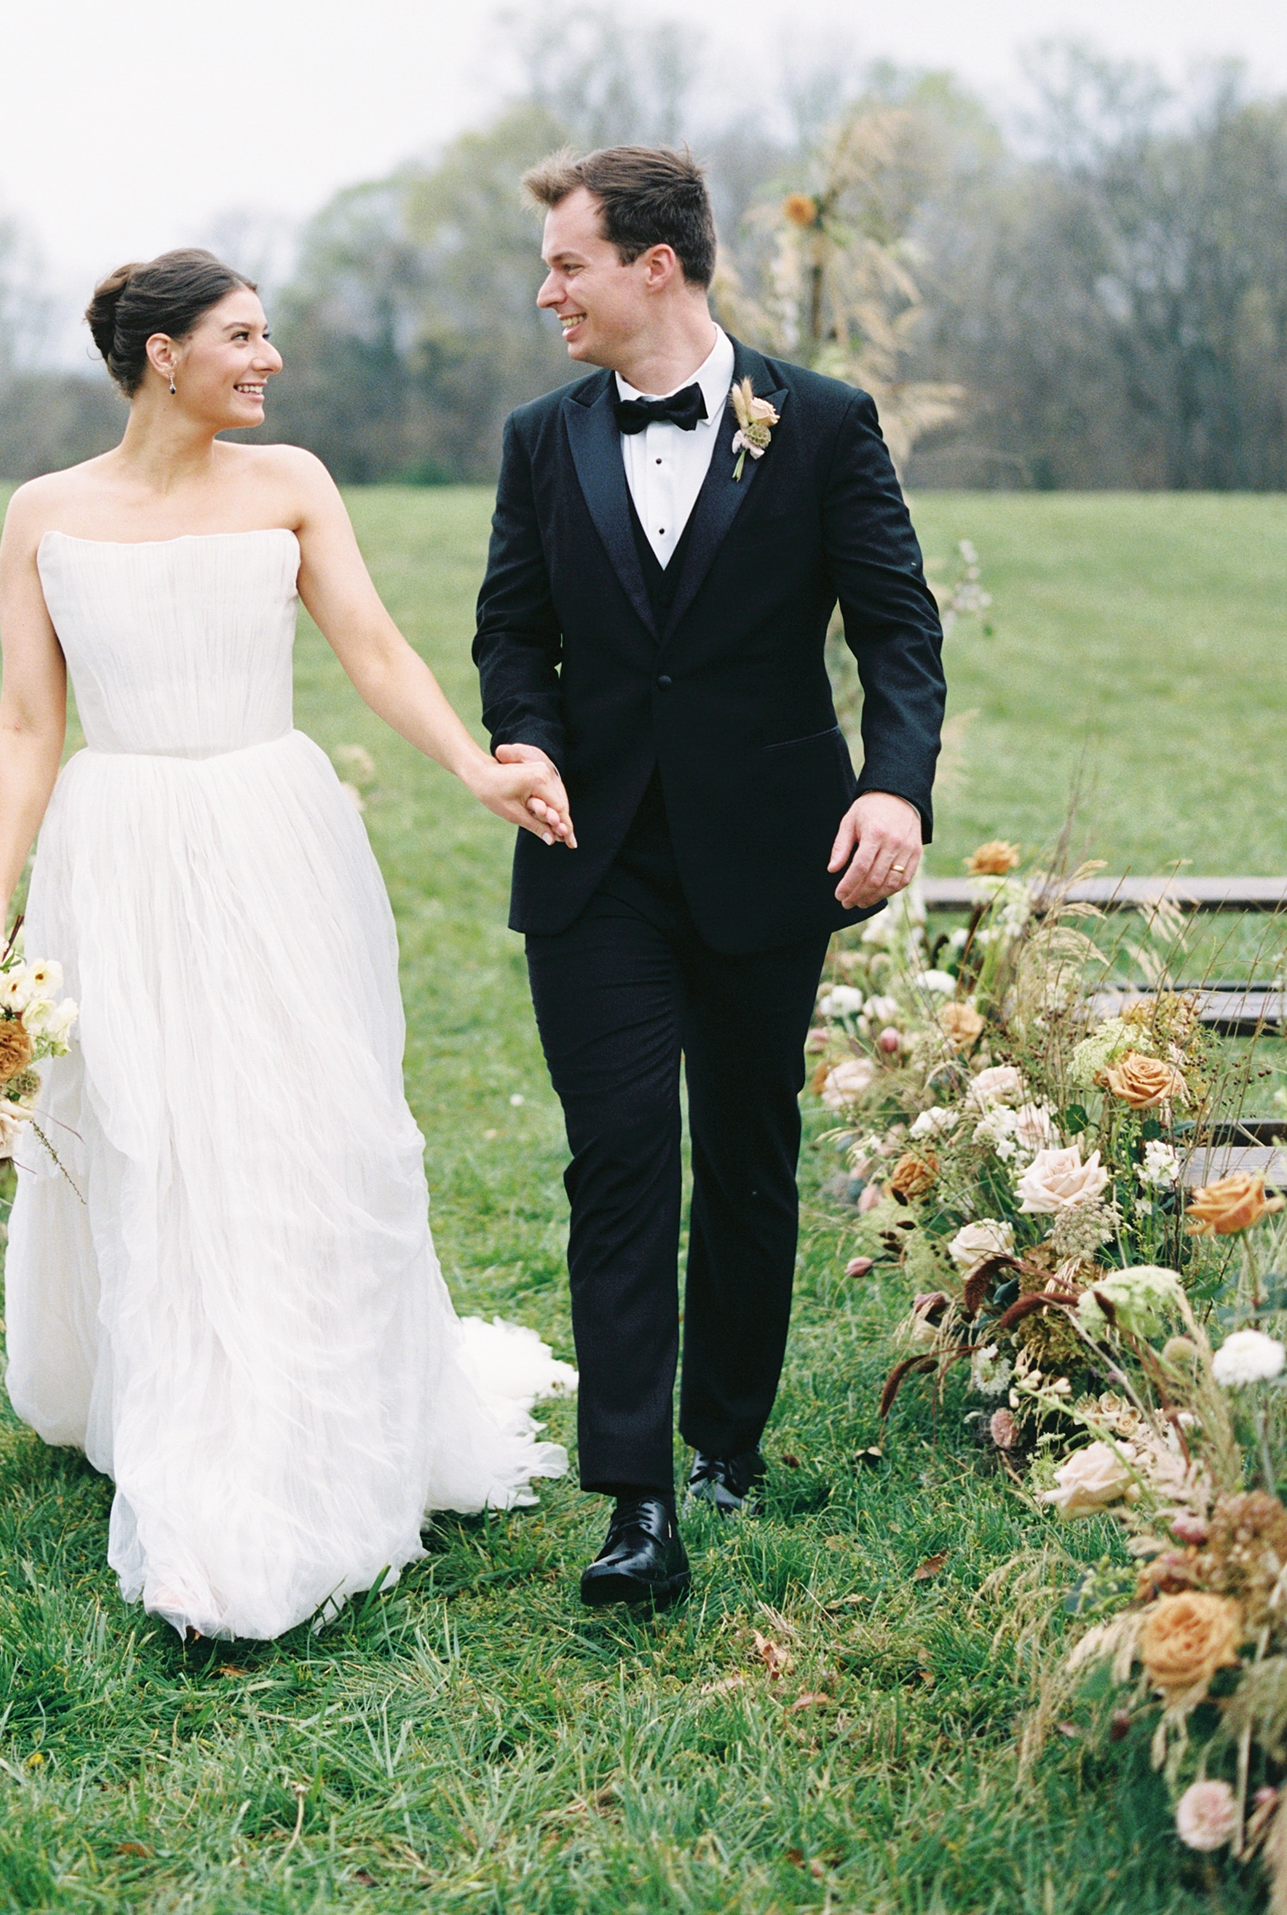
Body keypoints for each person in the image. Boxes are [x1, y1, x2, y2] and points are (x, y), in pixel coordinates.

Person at [0, 247, 579, 1641]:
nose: (270, 361)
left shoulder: (292, 483)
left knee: (310, 1122)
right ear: (164, 356)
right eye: (243, 337)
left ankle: (313, 1413)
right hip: (118, 848)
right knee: (150, 1135)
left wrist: (479, 768)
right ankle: (184, 1434)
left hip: (269, 837)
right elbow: (26, 722)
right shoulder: (44, 513)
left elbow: (375, 651)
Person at [474, 146, 945, 1614]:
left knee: (748, 1149)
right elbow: (512, 634)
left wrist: (894, 786)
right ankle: (637, 1498)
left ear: (656, 265)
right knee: (619, 1155)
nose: (548, 292)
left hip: (770, 851)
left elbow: (898, 630)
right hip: (592, 856)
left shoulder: (822, 422)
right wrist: (525, 739)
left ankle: (725, 1438)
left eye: (568, 264)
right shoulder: (540, 440)